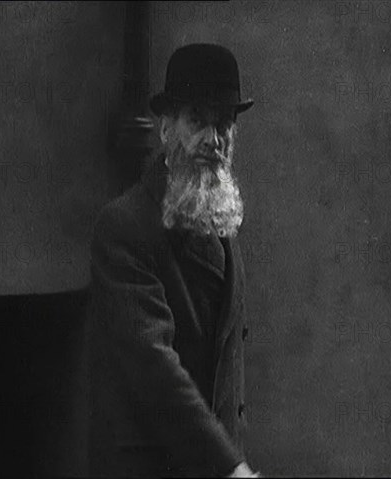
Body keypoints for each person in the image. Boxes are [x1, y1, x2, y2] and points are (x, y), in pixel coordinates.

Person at [87, 43, 259, 477]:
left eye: (224, 124)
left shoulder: (219, 217)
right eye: (198, 120)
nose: (213, 141)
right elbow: (153, 367)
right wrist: (229, 468)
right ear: (166, 129)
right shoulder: (124, 227)